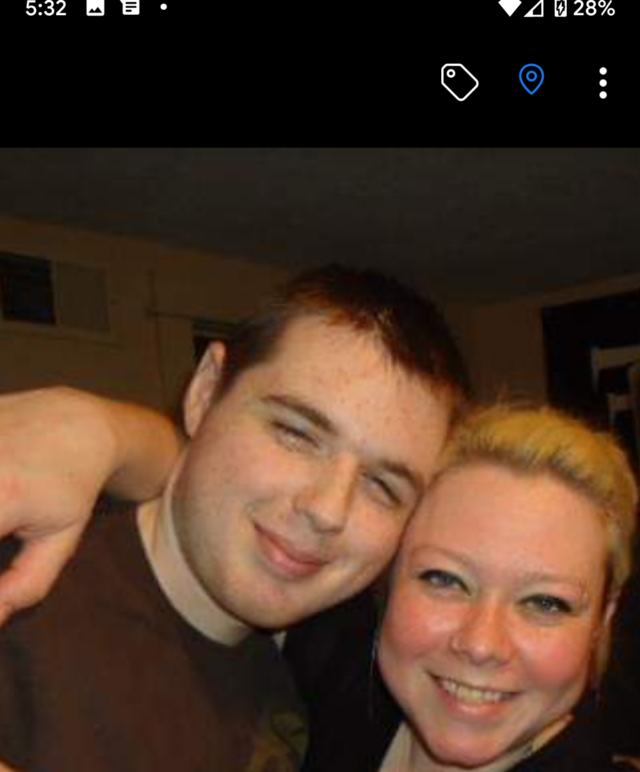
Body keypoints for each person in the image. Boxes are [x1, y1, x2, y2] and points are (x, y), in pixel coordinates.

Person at [0, 264, 469, 772]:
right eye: (296, 434)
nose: (327, 510)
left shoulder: (289, 718)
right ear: (205, 392)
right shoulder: (22, 572)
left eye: (382, 486)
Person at [309, 405, 639, 772]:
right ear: (388, 577)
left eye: (546, 603)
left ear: (602, 621)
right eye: (444, 579)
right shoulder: (312, 695)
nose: (481, 645)